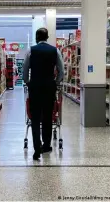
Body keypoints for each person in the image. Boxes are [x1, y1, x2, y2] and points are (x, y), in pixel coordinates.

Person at [23, 28, 64, 160]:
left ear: (36, 37)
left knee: (35, 118)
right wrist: (55, 82)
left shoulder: (31, 50)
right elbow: (61, 70)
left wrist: (27, 82)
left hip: (35, 87)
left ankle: (37, 149)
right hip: (49, 87)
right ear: (47, 37)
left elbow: (25, 68)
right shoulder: (55, 50)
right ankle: (46, 145)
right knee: (47, 116)